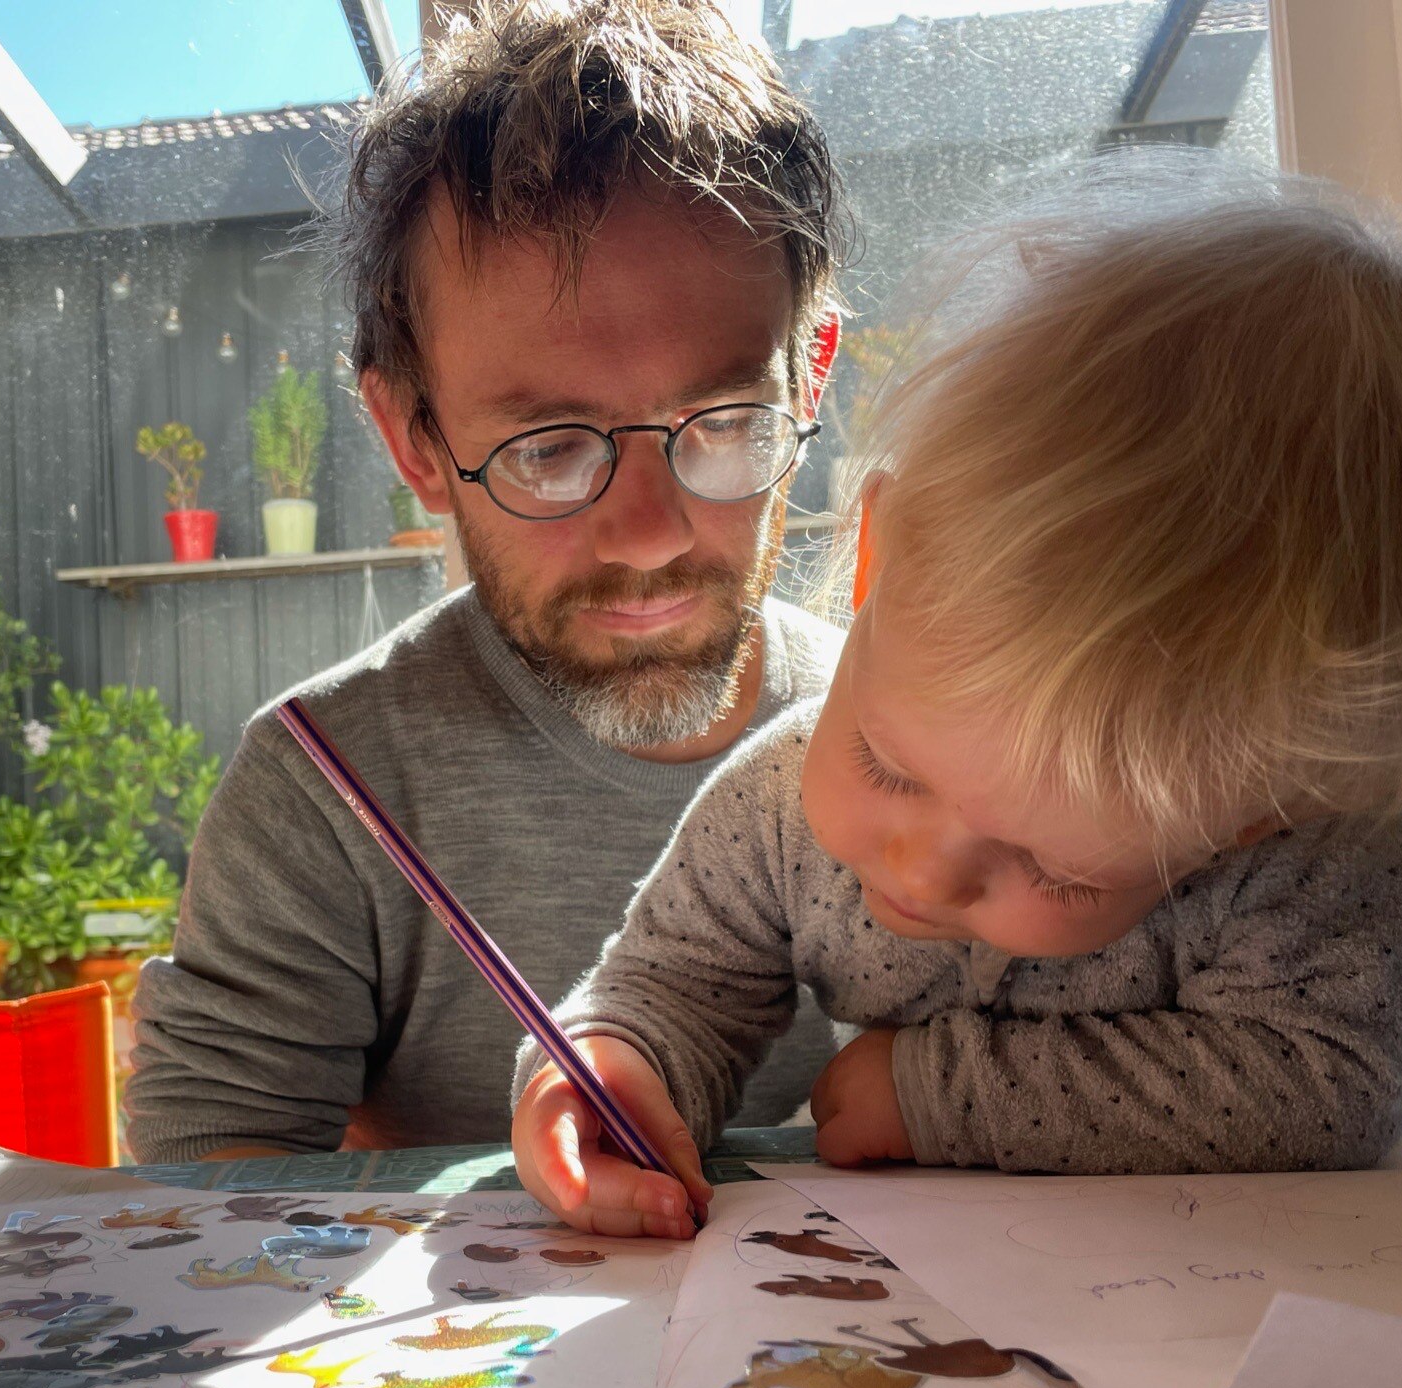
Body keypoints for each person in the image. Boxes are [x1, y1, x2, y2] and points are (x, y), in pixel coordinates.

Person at [511, 160, 1402, 1239]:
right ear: (874, 562)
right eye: (890, 767)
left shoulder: (1309, 859)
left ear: (1266, 816)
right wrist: (612, 1069)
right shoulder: (773, 813)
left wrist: (938, 1094)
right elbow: (677, 981)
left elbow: (1334, 1078)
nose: (923, 871)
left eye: (1055, 867)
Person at [126, 0, 855, 1163]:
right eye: (551, 448)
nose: (650, 536)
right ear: (414, 436)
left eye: (723, 422)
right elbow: (204, 1191)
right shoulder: (327, 792)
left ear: (809, 380)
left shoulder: (931, 739)